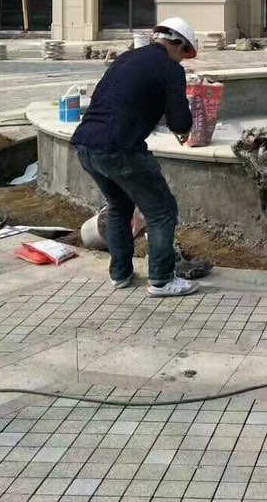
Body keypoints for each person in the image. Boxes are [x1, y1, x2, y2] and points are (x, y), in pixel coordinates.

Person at [72, 17, 199, 297]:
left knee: (119, 207)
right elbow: (180, 121)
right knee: (162, 211)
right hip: (120, 149)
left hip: (86, 144)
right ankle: (162, 280)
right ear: (178, 45)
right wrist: (185, 122)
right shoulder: (170, 69)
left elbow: (113, 99)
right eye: (183, 54)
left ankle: (120, 274)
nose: (181, 60)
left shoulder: (126, 58)